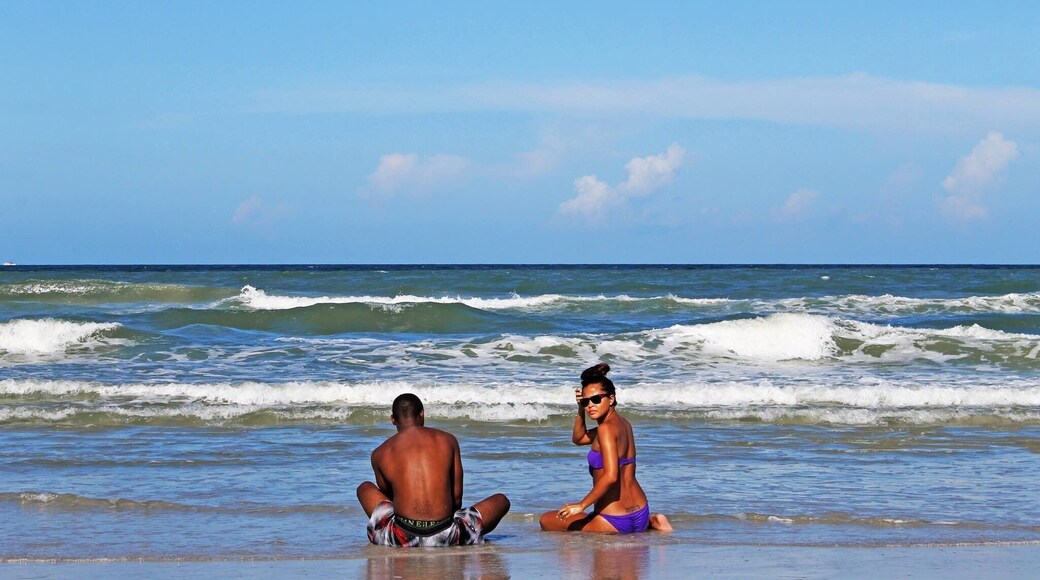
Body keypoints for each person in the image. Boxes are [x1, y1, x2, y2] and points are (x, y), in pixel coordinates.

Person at [357, 393, 510, 547]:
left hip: (401, 537)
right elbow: (456, 498)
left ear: (393, 419)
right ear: (422, 414)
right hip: (448, 535)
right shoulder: (447, 440)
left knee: (364, 488)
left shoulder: (380, 452)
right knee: (501, 501)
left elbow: (390, 501)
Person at [539, 363, 672, 534]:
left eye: (596, 399)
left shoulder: (605, 429)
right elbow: (579, 438)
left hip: (613, 520)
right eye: (585, 401)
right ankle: (652, 521)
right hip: (640, 512)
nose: (590, 406)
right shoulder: (623, 424)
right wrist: (580, 410)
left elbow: (611, 476)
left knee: (547, 520)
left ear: (611, 399)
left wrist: (581, 505)